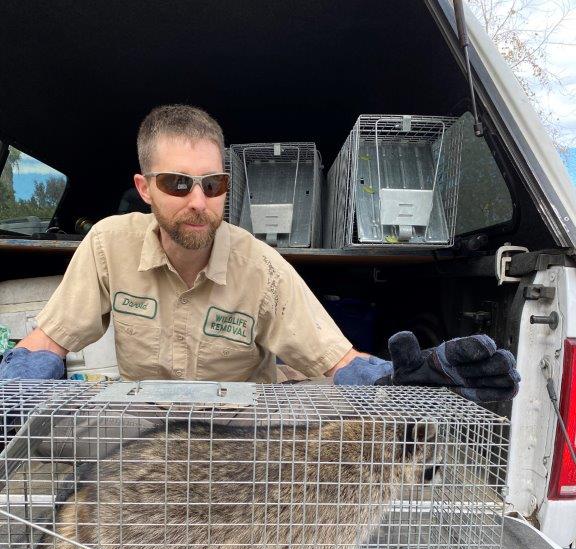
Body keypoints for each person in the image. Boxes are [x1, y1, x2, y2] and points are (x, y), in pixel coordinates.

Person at [0, 105, 519, 403]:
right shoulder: (107, 245)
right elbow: (47, 343)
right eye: (177, 185)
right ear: (144, 187)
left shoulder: (262, 267)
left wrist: (406, 382)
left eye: (214, 184)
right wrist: (12, 398)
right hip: (147, 433)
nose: (199, 202)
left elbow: (336, 361)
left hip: (240, 444)